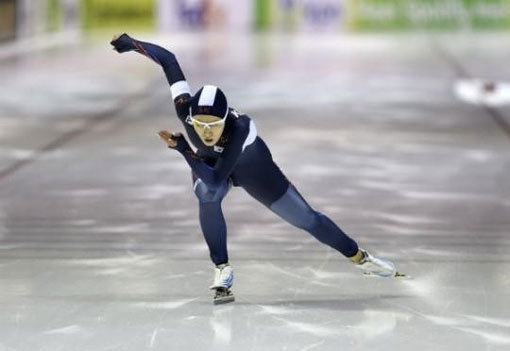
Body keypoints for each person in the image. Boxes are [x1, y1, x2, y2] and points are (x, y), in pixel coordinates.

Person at [110, 33, 399, 304]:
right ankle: (222, 267)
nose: (207, 132)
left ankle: (360, 257)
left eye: (213, 125)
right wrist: (134, 44)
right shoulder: (185, 110)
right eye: (200, 125)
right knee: (207, 196)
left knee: (307, 219)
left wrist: (184, 149)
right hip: (211, 164)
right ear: (191, 118)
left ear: (226, 118)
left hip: (253, 169)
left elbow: (216, 178)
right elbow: (169, 60)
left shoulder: (240, 128)